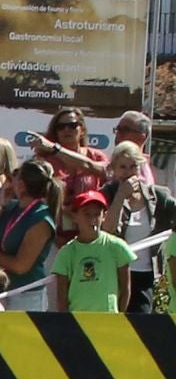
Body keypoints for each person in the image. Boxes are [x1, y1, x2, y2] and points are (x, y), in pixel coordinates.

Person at [0, 160, 60, 312]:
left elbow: (20, 266)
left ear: (22, 184)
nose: (9, 182)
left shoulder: (41, 218)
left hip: (25, 294)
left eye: (15, 177)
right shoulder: (10, 207)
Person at [101, 142, 176, 313]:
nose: (127, 172)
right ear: (113, 168)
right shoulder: (107, 192)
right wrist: (120, 196)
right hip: (114, 272)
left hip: (146, 274)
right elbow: (107, 230)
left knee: (142, 320)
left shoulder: (158, 195)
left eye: (133, 166)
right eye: (122, 167)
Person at [52, 190, 133, 313]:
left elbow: (125, 289)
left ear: (104, 216)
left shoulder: (117, 247)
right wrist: (67, 323)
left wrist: (119, 317)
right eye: (87, 214)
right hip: (78, 319)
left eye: (97, 214)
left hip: (108, 320)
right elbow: (61, 295)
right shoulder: (66, 253)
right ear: (74, 217)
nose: (93, 219)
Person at [29, 108, 109, 220]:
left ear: (82, 130)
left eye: (72, 125)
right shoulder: (45, 161)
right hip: (55, 223)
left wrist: (55, 149)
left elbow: (107, 173)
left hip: (90, 223)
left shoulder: (96, 156)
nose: (66, 129)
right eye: (60, 127)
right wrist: (67, 213)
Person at [115, 111, 156, 185]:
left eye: (125, 130)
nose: (118, 134)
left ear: (141, 137)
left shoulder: (139, 171)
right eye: (118, 129)